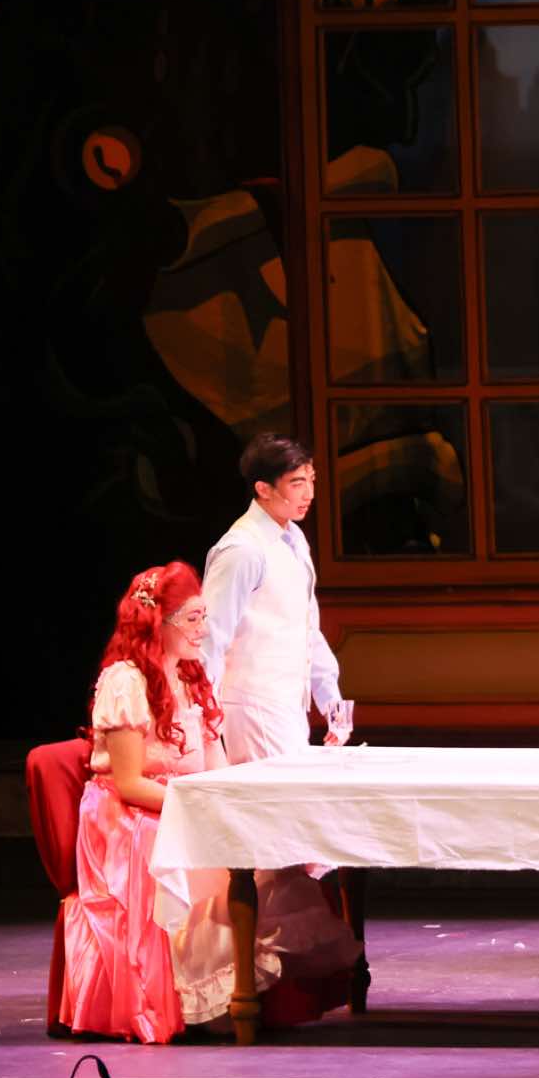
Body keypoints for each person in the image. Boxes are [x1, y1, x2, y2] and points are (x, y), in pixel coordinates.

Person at [57, 562, 262, 1042]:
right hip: (130, 814)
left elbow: (215, 765)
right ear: (158, 623)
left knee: (254, 856)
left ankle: (227, 993)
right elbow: (129, 784)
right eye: (192, 618)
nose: (203, 629)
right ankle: (175, 998)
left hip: (182, 804)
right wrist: (195, 811)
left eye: (203, 617)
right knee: (177, 852)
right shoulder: (125, 681)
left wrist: (230, 806)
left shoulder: (191, 677)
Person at [200, 433, 364, 1033]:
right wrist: (202, 713)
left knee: (292, 843)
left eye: (311, 480)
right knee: (271, 844)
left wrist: (330, 696)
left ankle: (284, 985)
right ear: (263, 489)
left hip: (285, 706)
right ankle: (251, 983)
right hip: (248, 706)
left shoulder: (293, 540)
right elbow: (212, 635)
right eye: (297, 484)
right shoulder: (241, 550)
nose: (308, 493)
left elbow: (307, 627)